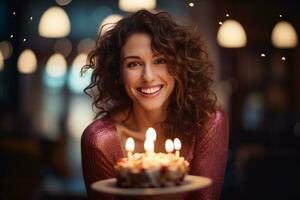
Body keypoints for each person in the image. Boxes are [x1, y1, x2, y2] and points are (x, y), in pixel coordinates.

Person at [81, 9, 229, 200]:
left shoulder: (208, 122)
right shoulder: (99, 141)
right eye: (134, 64)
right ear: (117, 72)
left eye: (160, 60)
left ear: (179, 65)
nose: (148, 77)